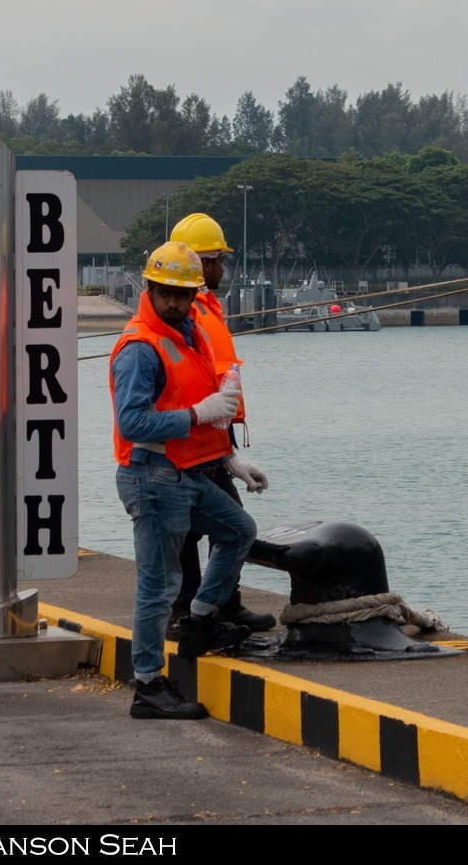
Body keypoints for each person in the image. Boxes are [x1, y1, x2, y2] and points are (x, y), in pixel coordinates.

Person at [111, 241, 260, 719]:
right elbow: (133, 423)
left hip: (185, 472)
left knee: (239, 530)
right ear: (149, 290)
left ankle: (198, 621)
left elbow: (201, 409)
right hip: (151, 477)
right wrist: (197, 414)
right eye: (165, 293)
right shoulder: (140, 350)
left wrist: (229, 457)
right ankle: (149, 686)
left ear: (195, 293)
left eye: (182, 293)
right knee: (158, 586)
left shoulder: (190, 333)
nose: (173, 302)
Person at [168, 212, 275, 634]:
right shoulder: (191, 314)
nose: (223, 268)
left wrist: (229, 454)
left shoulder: (206, 308)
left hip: (213, 434)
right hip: (194, 436)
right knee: (203, 527)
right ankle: (191, 610)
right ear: (203, 262)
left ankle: (219, 604)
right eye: (218, 260)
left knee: (215, 525)